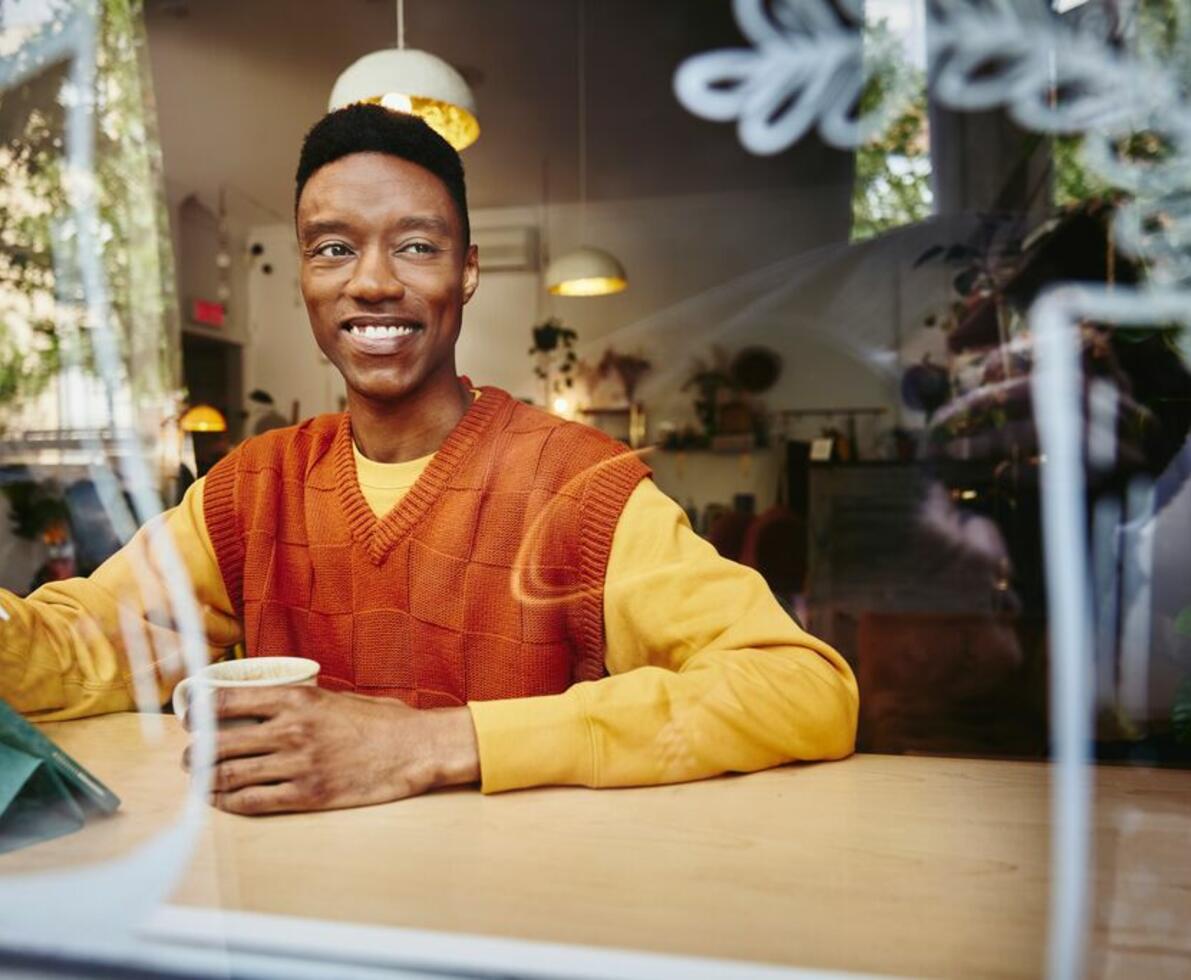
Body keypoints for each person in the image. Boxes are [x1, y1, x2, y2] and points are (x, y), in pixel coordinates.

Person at [0, 105, 857, 815]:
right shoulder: (248, 491)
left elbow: (800, 686)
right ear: (303, 275)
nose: (371, 282)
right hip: (291, 920)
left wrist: (430, 744)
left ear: (468, 272)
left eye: (415, 246)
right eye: (333, 247)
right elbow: (85, 640)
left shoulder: (579, 488)